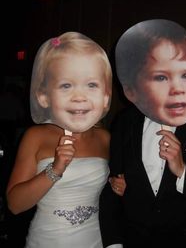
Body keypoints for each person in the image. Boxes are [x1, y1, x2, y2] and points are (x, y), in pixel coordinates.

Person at [99, 19, 186, 248]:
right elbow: (113, 184)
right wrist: (114, 242)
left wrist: (183, 171)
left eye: (185, 74)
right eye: (161, 77)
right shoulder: (125, 122)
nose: (178, 88)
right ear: (133, 86)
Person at [6, 31, 113, 248]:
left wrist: (118, 186)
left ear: (105, 96)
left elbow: (106, 194)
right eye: (66, 85)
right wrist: (55, 169)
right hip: (48, 240)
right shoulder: (36, 136)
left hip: (95, 239)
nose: (79, 96)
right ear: (44, 96)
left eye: (91, 85)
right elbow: (15, 204)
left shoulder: (104, 137)